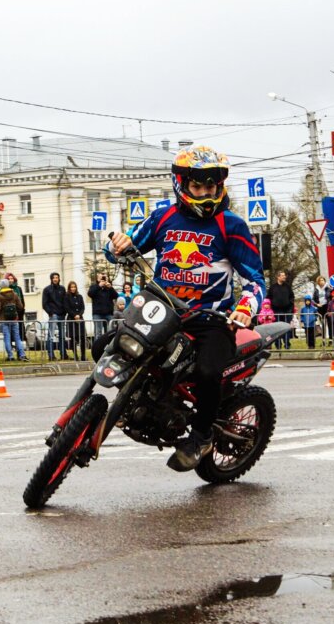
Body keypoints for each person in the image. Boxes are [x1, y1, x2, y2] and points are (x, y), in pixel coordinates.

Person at [104, 144, 264, 472]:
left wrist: (246, 307)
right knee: (102, 345)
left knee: (208, 372)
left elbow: (255, 279)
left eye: (213, 186)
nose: (206, 193)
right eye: (199, 186)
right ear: (181, 184)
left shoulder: (231, 225)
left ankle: (203, 436)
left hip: (208, 318)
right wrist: (115, 244)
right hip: (160, 308)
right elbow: (125, 248)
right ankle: (140, 400)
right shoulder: (162, 216)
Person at [0, 278, 26, 361]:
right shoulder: (14, 294)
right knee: (17, 338)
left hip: (4, 320)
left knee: (7, 338)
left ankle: (10, 356)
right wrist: (15, 312)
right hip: (14, 319)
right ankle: (22, 355)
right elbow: (20, 307)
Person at [42, 272, 67, 361]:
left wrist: (64, 312)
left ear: (59, 279)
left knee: (62, 336)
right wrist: (50, 312)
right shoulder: (47, 289)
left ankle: (64, 354)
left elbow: (65, 301)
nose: (55, 279)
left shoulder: (62, 289)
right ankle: (51, 355)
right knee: (51, 336)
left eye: (57, 277)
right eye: (54, 277)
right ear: (51, 279)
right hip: (53, 315)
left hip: (61, 314)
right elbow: (44, 303)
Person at [267, 270, 294, 350]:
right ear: (278, 277)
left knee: (286, 329)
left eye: (284, 275)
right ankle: (278, 345)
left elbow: (292, 297)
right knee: (277, 329)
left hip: (286, 311)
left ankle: (287, 345)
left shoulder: (287, 287)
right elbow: (269, 298)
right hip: (276, 312)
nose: (284, 277)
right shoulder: (273, 287)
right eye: (282, 275)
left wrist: (290, 306)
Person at [87, 272, 118, 338]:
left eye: (104, 278)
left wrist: (110, 287)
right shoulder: (94, 287)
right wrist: (99, 286)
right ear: (98, 279)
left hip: (108, 313)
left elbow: (115, 296)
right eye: (101, 278)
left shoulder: (109, 288)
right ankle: (98, 348)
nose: (103, 279)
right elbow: (90, 294)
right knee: (98, 333)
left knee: (110, 332)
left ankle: (109, 347)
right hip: (97, 314)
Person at [64, 280, 86, 361]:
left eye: (74, 287)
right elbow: (67, 307)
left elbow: (82, 307)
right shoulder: (66, 297)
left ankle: (83, 355)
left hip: (80, 319)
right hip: (71, 319)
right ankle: (76, 356)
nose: (73, 288)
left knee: (83, 337)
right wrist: (74, 315)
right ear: (69, 288)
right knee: (73, 338)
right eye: (71, 287)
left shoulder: (80, 296)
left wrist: (79, 315)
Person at [312, 276, 330, 344]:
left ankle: (331, 339)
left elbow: (331, 296)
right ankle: (323, 339)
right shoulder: (316, 289)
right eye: (320, 280)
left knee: (329, 323)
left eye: (323, 280)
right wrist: (317, 304)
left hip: (327, 307)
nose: (322, 281)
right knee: (322, 324)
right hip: (320, 308)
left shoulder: (328, 288)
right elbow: (313, 300)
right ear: (318, 282)